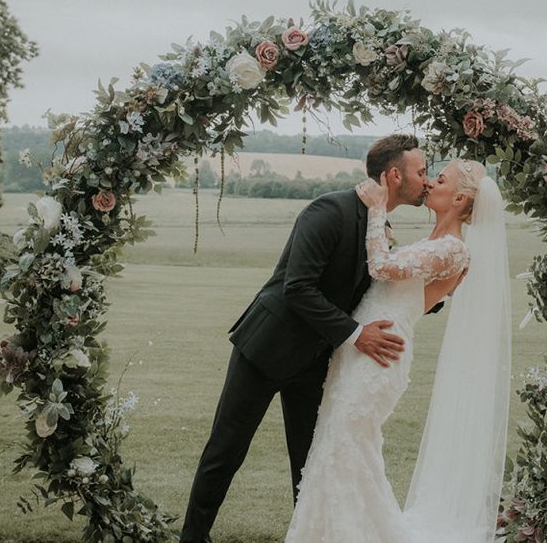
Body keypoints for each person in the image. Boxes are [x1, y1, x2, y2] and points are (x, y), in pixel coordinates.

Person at [179, 134, 440, 543]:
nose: (427, 180)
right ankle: (193, 538)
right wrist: (356, 335)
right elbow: (298, 288)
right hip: (268, 347)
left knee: (310, 460)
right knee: (226, 449)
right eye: (421, 171)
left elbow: (384, 284)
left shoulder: (378, 225)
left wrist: (445, 280)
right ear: (394, 175)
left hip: (316, 360)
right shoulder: (330, 210)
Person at [285, 158, 512, 543]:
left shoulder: (453, 249)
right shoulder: (436, 245)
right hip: (360, 346)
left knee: (345, 443)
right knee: (338, 444)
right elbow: (408, 294)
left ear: (458, 198)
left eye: (439, 180)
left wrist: (376, 209)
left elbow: (383, 268)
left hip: (380, 354)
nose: (430, 184)